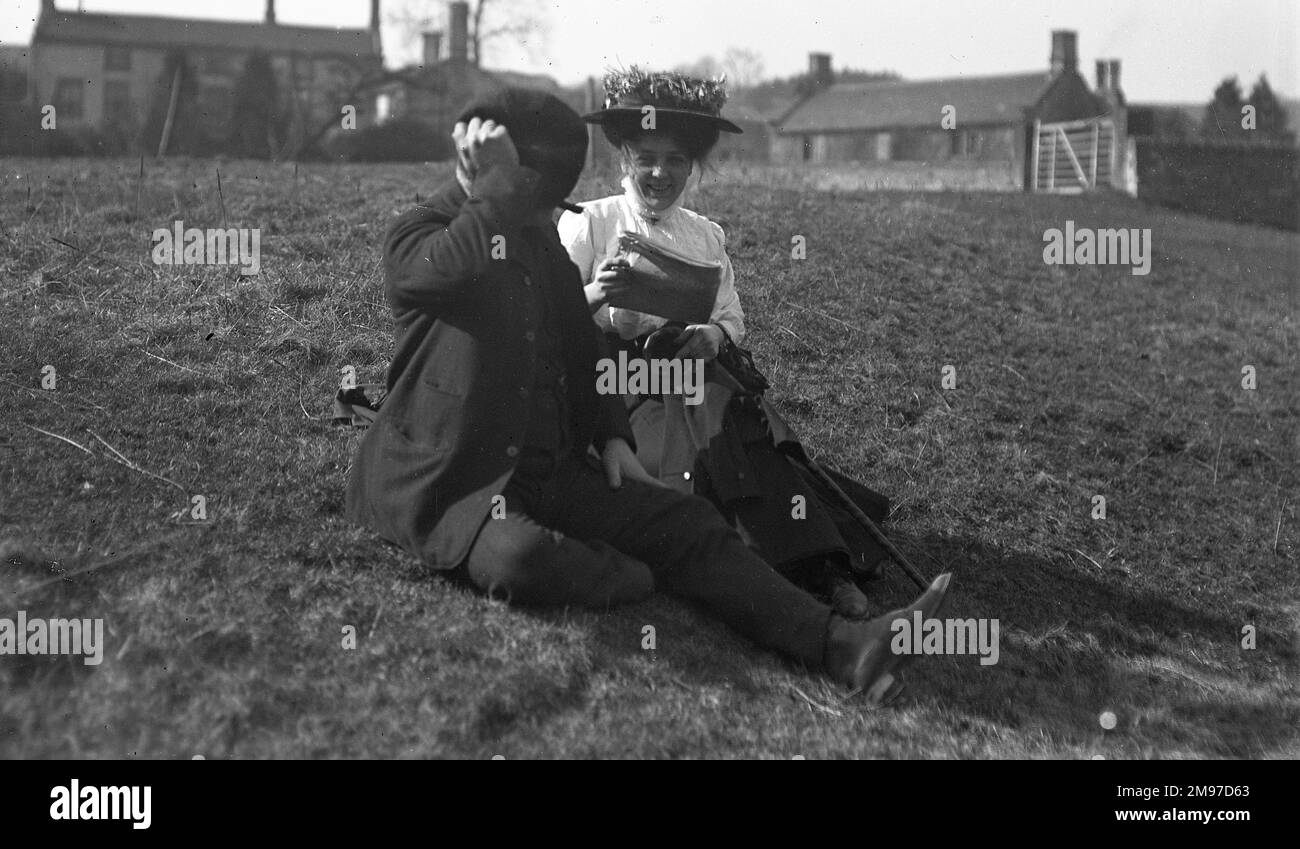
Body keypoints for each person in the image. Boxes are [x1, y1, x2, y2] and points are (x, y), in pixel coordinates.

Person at [344, 86, 952, 701]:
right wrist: (494, 192)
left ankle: (846, 647)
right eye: (538, 198)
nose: (548, 214)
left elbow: (580, 344)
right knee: (521, 561)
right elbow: (443, 271)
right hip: (454, 483)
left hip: (548, 474)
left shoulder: (536, 238)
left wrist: (611, 436)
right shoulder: (420, 233)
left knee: (685, 518)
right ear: (494, 176)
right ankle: (628, 572)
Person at [559, 68, 884, 619]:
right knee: (696, 454)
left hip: (689, 369)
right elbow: (550, 316)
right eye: (648, 158)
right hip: (614, 380)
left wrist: (712, 335)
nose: (661, 173)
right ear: (625, 161)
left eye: (677, 161)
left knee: (741, 426)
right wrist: (594, 291)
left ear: (694, 168)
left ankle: (819, 568)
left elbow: (731, 316)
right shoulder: (591, 222)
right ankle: (757, 573)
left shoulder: (705, 235)